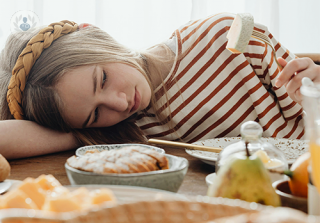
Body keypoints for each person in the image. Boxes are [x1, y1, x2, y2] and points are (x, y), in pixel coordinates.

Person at [0, 13, 309, 159]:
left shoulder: (221, 36)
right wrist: (80, 132)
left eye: (103, 79)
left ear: (95, 34)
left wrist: (313, 89)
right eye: (95, 113)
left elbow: (310, 101)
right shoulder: (126, 131)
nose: (120, 104)